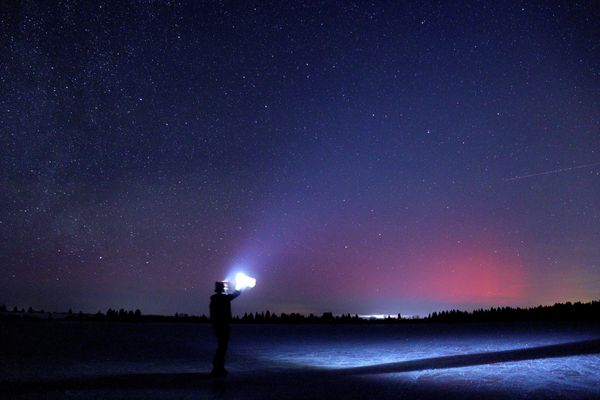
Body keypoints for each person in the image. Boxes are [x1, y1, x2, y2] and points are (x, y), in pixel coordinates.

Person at [209, 281, 241, 377]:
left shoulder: (214, 299)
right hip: (222, 325)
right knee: (222, 346)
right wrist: (239, 287)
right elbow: (235, 294)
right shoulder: (223, 298)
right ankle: (218, 367)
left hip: (217, 325)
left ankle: (219, 367)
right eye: (224, 287)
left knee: (222, 346)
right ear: (222, 289)